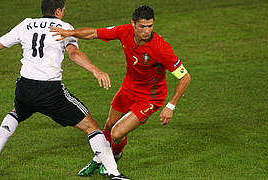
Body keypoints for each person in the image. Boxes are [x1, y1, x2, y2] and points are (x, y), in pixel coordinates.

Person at [0, 0, 129, 179]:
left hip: (25, 87)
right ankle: (114, 173)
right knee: (91, 127)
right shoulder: (63, 27)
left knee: (17, 112)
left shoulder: (26, 24)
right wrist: (96, 70)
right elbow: (74, 54)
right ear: (59, 11)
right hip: (50, 91)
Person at [50, 5, 191, 177]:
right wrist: (70, 33)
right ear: (133, 24)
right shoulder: (124, 32)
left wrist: (171, 106)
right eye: (142, 26)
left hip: (150, 98)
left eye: (150, 26)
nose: (147, 31)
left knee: (117, 133)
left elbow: (185, 77)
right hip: (128, 89)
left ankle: (114, 157)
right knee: (108, 126)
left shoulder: (161, 48)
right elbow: (94, 33)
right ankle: (99, 159)